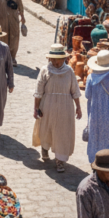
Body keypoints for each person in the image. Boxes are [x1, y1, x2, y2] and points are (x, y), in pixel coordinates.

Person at [33, 44, 82, 173]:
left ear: (64, 59)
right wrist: (35, 108)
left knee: (62, 133)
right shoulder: (45, 70)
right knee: (47, 129)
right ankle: (45, 148)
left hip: (65, 107)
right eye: (53, 59)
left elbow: (75, 91)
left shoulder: (69, 71)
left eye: (58, 59)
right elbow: (38, 91)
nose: (55, 62)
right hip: (47, 106)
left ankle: (60, 161)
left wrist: (78, 107)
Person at [85, 50, 109, 162]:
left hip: (95, 115)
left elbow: (87, 95)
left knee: (95, 138)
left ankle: (95, 163)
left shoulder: (90, 78)